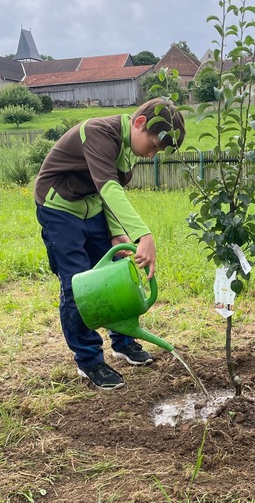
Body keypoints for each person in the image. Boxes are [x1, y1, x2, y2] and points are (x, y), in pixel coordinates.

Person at [34, 97, 186, 390]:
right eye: (154, 146)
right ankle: (89, 360)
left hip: (93, 209)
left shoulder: (128, 147)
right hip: (60, 210)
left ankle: (123, 342)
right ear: (139, 123)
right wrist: (144, 234)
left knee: (116, 276)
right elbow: (109, 186)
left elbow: (108, 193)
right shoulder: (98, 133)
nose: (153, 154)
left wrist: (118, 231)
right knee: (77, 284)